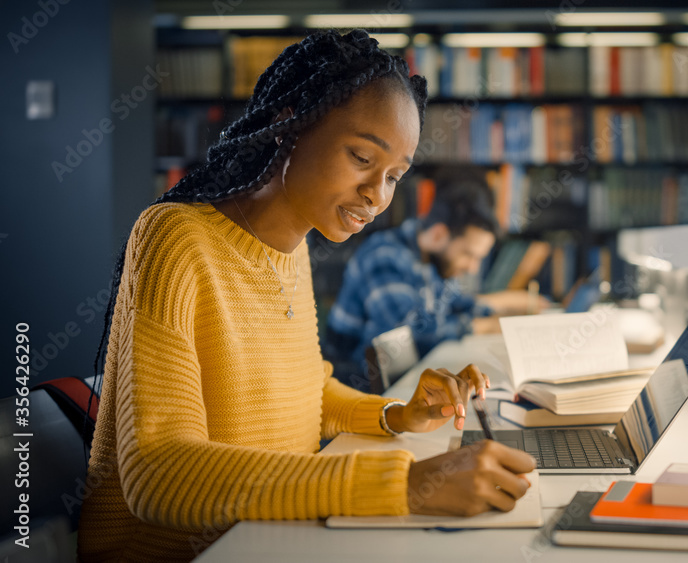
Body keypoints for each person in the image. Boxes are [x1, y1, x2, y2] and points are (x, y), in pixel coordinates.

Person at [77, 30, 534, 562]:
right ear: (287, 123)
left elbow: (305, 393)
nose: (377, 195)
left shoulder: (292, 251)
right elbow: (159, 473)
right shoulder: (175, 239)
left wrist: (396, 415)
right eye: (362, 156)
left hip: (267, 539)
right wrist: (403, 483)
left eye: (394, 176)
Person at [326, 179, 548, 390]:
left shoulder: (430, 257)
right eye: (469, 255)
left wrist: (505, 306)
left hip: (403, 380)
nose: (472, 268)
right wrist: (484, 326)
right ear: (439, 234)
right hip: (354, 386)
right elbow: (408, 334)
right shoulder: (384, 257)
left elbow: (453, 304)